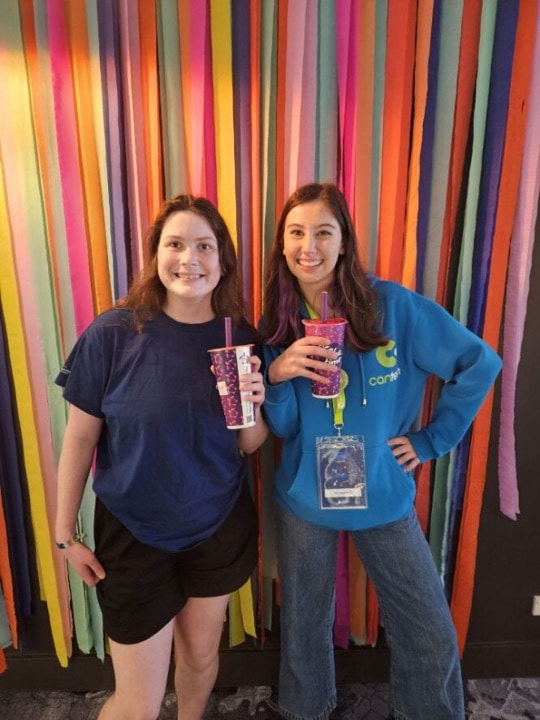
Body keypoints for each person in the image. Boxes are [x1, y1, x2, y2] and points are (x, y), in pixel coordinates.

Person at [260, 182, 502, 720]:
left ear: (344, 242)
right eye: (296, 233)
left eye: (324, 232)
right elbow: (282, 427)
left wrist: (430, 440)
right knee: (302, 628)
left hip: (383, 493)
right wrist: (277, 374)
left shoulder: (394, 307)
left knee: (429, 630)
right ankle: (306, 710)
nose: (309, 246)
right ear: (282, 245)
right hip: (304, 499)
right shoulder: (278, 321)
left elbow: (479, 364)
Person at [54, 194, 268, 720]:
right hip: (132, 535)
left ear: (222, 264)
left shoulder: (239, 339)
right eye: (175, 244)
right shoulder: (112, 334)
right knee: (138, 703)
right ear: (156, 255)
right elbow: (80, 440)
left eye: (204, 246)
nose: (188, 259)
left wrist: (253, 406)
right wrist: (65, 535)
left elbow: (249, 444)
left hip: (217, 526)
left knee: (199, 657)